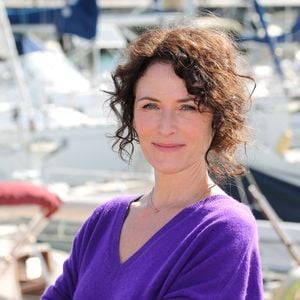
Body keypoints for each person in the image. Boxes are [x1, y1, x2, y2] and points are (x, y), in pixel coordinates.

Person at [42, 25, 263, 299]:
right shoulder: (104, 220)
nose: (166, 126)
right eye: (150, 105)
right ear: (131, 115)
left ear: (217, 119)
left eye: (187, 107)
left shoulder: (223, 228)